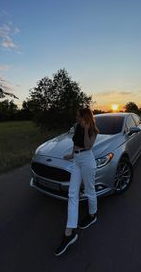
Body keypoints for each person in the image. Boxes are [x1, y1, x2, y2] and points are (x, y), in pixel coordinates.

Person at [55, 107, 99, 256]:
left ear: (84, 117)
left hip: (87, 160)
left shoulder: (93, 130)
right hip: (77, 161)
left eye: (78, 115)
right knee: (72, 193)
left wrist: (86, 130)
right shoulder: (76, 127)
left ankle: (93, 215)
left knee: (89, 190)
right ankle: (69, 232)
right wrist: (71, 155)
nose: (76, 117)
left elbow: (87, 146)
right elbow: (75, 143)